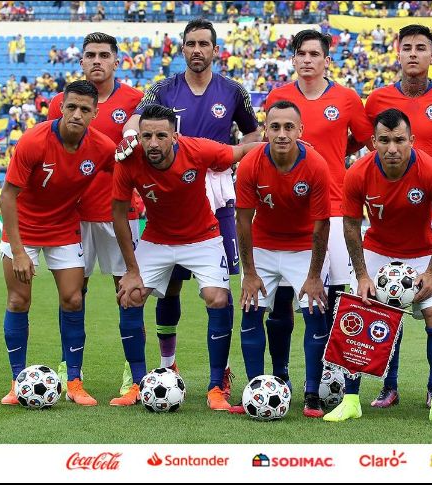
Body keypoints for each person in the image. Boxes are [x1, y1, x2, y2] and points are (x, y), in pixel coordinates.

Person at [118, 19, 260, 397]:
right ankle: (166, 366)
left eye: (204, 44)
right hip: (171, 180)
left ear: (215, 50)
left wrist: (240, 164)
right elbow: (135, 120)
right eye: (190, 44)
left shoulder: (232, 91)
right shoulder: (163, 88)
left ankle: (222, 373)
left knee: (220, 287)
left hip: (215, 185)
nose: (197, 50)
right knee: (171, 288)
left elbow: (253, 134)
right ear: (182, 49)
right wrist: (132, 139)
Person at [324, 108, 432, 427]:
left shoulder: (431, 171)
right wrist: (361, 275)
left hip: (422, 254)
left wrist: (431, 270)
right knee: (355, 316)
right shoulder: (357, 172)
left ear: (412, 140)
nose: (392, 148)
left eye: (399, 140)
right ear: (373, 142)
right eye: (384, 141)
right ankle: (351, 400)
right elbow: (351, 225)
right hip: (377, 251)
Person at [260, 29, 373, 387]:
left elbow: (361, 139)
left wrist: (336, 151)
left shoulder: (347, 98)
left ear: (327, 60)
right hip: (284, 211)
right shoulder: (278, 97)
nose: (307, 60)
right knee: (280, 300)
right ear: (293, 59)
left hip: (336, 207)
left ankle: (330, 374)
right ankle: (280, 373)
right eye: (301, 54)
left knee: (337, 296)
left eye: (314, 54)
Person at [361, 24, 432, 409]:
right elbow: (357, 142)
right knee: (388, 311)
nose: (414, 54)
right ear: (398, 53)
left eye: (422, 48)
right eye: (408, 48)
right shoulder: (377, 100)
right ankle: (389, 386)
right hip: (388, 220)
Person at [0, 80, 116, 407]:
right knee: (18, 301)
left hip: (64, 227)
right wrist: (20, 252)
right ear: (62, 107)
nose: (77, 114)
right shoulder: (34, 141)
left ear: (94, 113)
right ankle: (17, 381)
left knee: (73, 299)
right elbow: (8, 197)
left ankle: (74, 381)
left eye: (85, 109)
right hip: (22, 228)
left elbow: (125, 171)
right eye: (72, 107)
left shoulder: (103, 147)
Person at [47, 32, 146, 396]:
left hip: (119, 212)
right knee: (74, 293)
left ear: (116, 61)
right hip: (72, 216)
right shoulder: (61, 101)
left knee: (128, 291)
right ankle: (70, 371)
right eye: (90, 55)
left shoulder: (135, 100)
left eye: (104, 55)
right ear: (81, 61)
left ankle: (133, 374)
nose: (97, 61)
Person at [233, 101, 331, 418]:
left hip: (304, 248)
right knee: (250, 310)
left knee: (315, 313)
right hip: (262, 246)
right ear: (266, 130)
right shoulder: (250, 164)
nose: (282, 133)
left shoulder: (315, 165)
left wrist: (315, 276)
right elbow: (243, 221)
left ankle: (312, 394)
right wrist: (248, 273)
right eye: (275, 127)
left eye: (289, 127)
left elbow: (321, 225)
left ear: (300, 131)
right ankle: (255, 388)